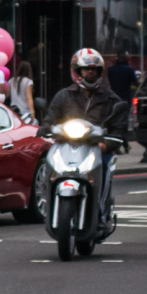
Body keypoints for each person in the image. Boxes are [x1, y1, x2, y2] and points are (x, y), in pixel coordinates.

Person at [42, 48, 129, 225]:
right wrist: (45, 128)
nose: (91, 72)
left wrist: (105, 144)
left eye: (95, 69)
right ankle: (47, 205)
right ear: (77, 70)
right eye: (86, 68)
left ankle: (100, 212)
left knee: (104, 165)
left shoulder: (111, 99)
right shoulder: (63, 95)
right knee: (49, 163)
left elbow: (118, 129)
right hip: (67, 145)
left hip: (96, 147)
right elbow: (50, 117)